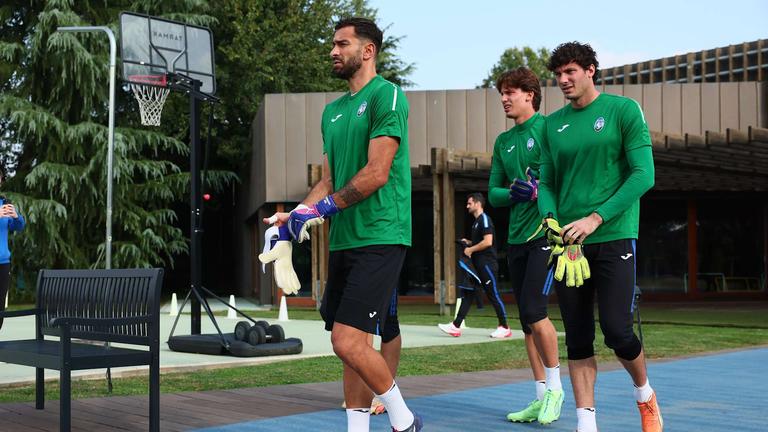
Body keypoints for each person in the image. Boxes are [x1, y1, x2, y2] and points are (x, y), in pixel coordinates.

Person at [264, 17, 421, 432]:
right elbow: (330, 181)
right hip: (344, 241)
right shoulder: (332, 112)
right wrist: (298, 212)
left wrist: (321, 211)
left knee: (346, 340)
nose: (333, 51)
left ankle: (404, 421)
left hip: (382, 234)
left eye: (341, 44)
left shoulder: (388, 96)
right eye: (332, 44)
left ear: (367, 51)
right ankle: (358, 428)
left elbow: (377, 172)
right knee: (352, 346)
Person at [538, 41, 661, 432]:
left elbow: (644, 174)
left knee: (617, 330)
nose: (563, 80)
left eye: (570, 71)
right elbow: (547, 182)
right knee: (577, 337)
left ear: (591, 70)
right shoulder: (551, 125)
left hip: (614, 234)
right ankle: (585, 423)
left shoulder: (622, 111)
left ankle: (645, 396)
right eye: (558, 74)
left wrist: (595, 218)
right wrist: (550, 218)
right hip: (568, 244)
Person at [486, 68, 564, 424]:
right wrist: (513, 192)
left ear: (530, 94)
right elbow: (493, 193)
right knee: (526, 323)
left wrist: (538, 191)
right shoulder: (503, 142)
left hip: (544, 235)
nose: (504, 98)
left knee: (535, 311)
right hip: (515, 240)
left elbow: (564, 178)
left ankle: (556, 389)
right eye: (502, 92)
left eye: (511, 92)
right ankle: (539, 396)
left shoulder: (549, 129)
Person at [438, 193, 511, 338]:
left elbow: (488, 242)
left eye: (469, 203)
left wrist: (470, 249)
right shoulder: (477, 222)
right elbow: (482, 241)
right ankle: (455, 326)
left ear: (477, 204)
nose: (467, 206)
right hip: (478, 266)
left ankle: (504, 327)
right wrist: (469, 242)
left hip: (487, 265)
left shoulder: (484, 220)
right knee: (468, 293)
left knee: (493, 294)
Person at [0, 167, 25, 330]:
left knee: (0, 308)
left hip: (2, 263)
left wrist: (16, 217)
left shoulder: (4, 202)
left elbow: (19, 226)